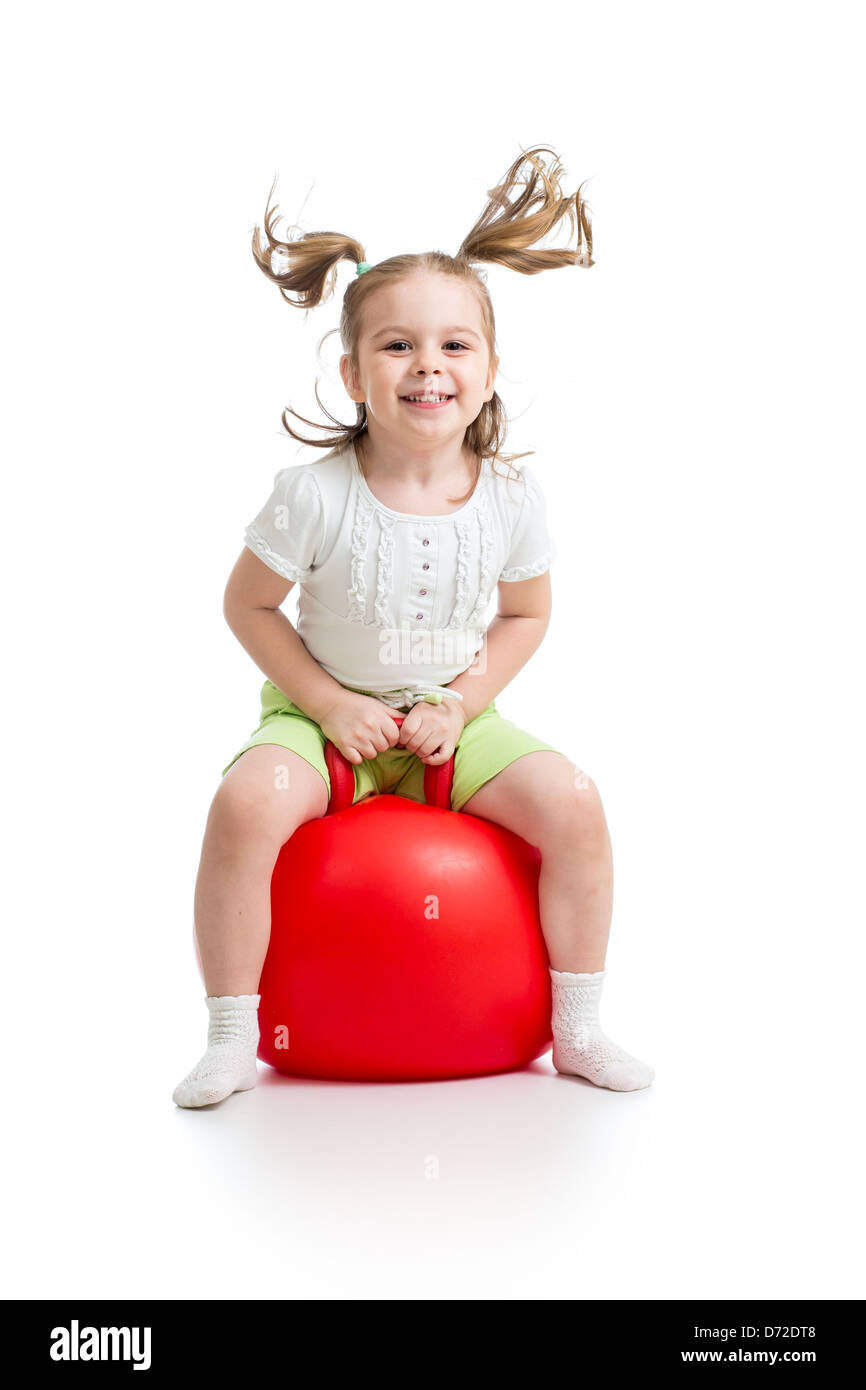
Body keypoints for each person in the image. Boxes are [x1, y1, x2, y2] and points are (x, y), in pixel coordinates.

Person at [173, 145, 654, 1108]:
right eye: (397, 346)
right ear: (353, 372)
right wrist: (325, 703)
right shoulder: (312, 495)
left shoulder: (513, 498)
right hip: (322, 719)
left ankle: (579, 1027)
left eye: (453, 346)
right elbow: (248, 605)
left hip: (452, 722)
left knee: (576, 803)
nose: (427, 365)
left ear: (488, 369)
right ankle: (230, 1032)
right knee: (243, 809)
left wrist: (463, 700)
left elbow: (527, 613)